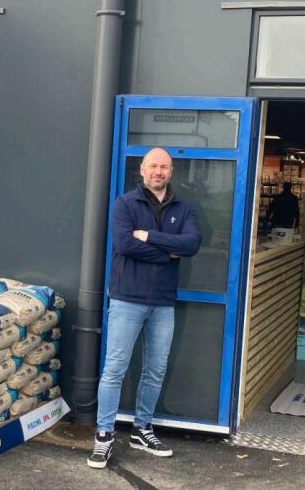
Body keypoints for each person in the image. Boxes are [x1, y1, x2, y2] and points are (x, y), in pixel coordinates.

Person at [87, 147, 202, 469]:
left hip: (163, 302)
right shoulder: (125, 203)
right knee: (115, 369)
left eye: (164, 166)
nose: (158, 171)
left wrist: (150, 236)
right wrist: (167, 253)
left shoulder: (184, 207)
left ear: (171, 170)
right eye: (153, 165)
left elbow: (192, 244)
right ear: (142, 169)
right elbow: (124, 245)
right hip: (127, 299)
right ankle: (105, 434)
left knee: (155, 369)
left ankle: (142, 428)